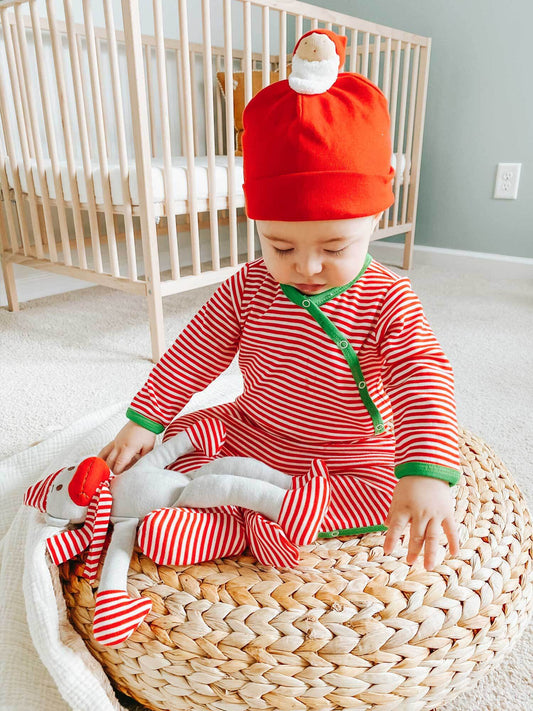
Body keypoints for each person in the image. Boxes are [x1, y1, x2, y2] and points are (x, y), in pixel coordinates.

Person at [99, 29, 461, 572]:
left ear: (374, 223)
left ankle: (235, 519)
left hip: (347, 459)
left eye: (335, 247)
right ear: (259, 227)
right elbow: (192, 354)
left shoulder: (388, 297)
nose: (307, 267)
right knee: (181, 438)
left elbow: (423, 379)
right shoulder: (249, 285)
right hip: (257, 428)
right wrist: (146, 420)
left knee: (384, 496)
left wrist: (424, 472)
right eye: (282, 245)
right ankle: (213, 493)